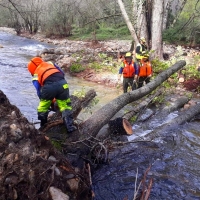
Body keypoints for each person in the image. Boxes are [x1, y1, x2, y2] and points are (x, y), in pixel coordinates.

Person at [27, 57, 77, 133]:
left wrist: (47, 99)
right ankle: (69, 127)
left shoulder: (36, 74)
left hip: (49, 87)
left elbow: (39, 90)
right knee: (65, 105)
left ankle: (43, 127)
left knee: (42, 108)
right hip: (63, 83)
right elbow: (62, 73)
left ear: (31, 70)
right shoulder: (50, 63)